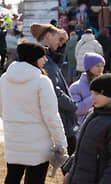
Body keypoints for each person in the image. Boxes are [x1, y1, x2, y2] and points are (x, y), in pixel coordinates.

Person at [0, 42, 68, 184]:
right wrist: (61, 142)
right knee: (35, 183)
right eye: (43, 56)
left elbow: (0, 108)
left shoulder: (5, 78)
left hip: (13, 136)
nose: (45, 59)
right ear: (34, 58)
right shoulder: (41, 81)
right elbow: (51, 115)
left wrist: (13, 122)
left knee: (12, 179)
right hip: (38, 138)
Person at [33, 23, 78, 154]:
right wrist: (73, 105)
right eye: (59, 40)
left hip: (58, 118)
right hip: (59, 119)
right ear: (48, 36)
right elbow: (54, 91)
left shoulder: (46, 58)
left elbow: (57, 67)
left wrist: (62, 45)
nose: (61, 43)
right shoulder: (44, 61)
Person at [70, 52, 105, 125]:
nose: (100, 69)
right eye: (97, 66)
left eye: (102, 66)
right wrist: (96, 96)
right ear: (89, 67)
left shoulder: (105, 83)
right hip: (84, 127)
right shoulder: (76, 87)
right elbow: (77, 109)